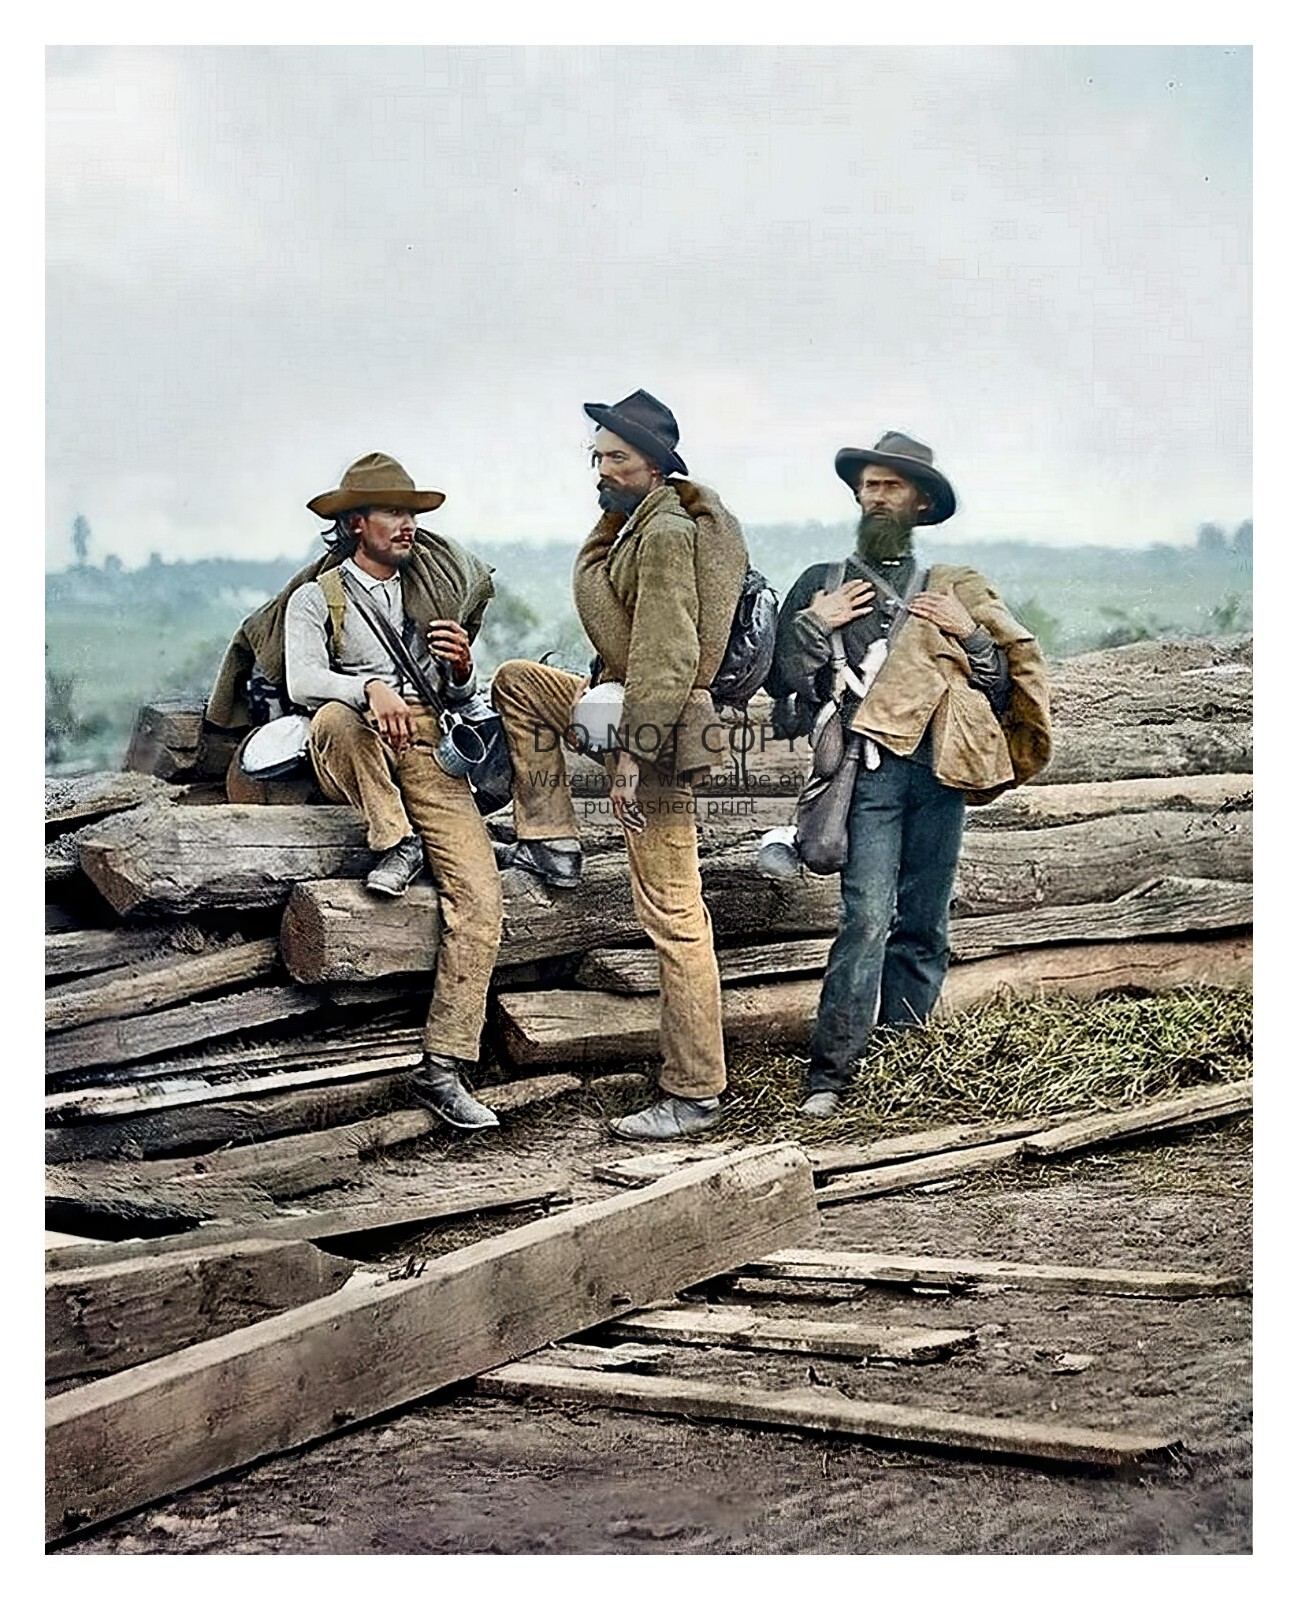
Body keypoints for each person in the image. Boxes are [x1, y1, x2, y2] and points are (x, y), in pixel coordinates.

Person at [767, 431, 1053, 1118]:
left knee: (924, 921)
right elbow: (782, 683)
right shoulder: (822, 583)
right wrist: (812, 625)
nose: (876, 496)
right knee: (866, 919)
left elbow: (996, 686)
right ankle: (831, 1076)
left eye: (891, 486)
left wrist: (970, 633)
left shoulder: (952, 590)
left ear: (921, 502)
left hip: (939, 775)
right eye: (868, 485)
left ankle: (903, 1065)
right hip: (864, 776)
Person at [491, 390, 749, 1141]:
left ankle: (695, 1091)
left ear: (655, 466)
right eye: (597, 455)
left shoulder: (665, 533)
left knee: (674, 914)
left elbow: (668, 653)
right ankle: (552, 841)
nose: (601, 469)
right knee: (518, 683)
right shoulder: (636, 521)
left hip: (657, 733)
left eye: (617, 459)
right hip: (622, 703)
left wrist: (632, 755)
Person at [281, 451, 504, 1132]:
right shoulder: (318, 598)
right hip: (356, 745)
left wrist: (461, 670)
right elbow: (302, 681)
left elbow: (455, 698)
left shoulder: (427, 595)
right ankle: (395, 839)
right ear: (355, 523)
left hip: (428, 746)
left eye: (411, 513)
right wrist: (368, 687)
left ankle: (443, 1067)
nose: (407, 525)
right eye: (392, 513)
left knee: (480, 897)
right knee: (334, 716)